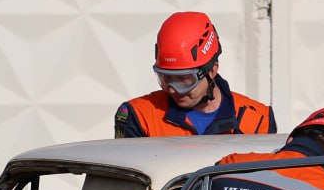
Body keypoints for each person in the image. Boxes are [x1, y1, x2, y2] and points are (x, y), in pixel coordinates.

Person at [114, 11, 276, 138]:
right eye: (166, 78)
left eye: (184, 80)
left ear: (212, 70)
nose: (172, 90)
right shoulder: (139, 117)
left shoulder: (258, 121)